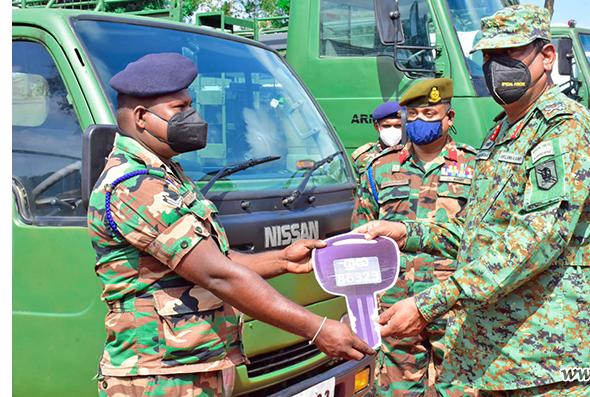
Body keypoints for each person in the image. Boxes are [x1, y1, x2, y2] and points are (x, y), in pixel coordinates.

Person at [355, 5, 590, 396]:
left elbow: (535, 241)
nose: (496, 68)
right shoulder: (502, 131)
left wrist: (430, 303)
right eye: (488, 58)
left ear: (546, 57)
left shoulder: (566, 131)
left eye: (509, 55)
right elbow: (482, 232)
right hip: (498, 351)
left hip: (552, 357)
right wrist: (405, 231)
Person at [87, 53, 374, 396]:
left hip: (188, 368)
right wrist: (316, 329)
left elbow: (211, 259)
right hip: (157, 376)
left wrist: (281, 260)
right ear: (141, 118)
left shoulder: (167, 174)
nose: (192, 117)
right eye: (179, 108)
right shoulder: (135, 185)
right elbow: (216, 275)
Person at [352, 78, 477, 397]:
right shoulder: (378, 168)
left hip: (455, 304)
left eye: (430, 113)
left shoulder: (477, 167)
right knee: (397, 391)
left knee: (461, 389)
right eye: (414, 113)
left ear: (449, 118)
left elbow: (483, 240)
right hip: (395, 302)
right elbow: (362, 234)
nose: (420, 120)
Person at [350, 101, 404, 179]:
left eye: (398, 125)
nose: (392, 130)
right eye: (386, 126)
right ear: (376, 127)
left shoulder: (413, 153)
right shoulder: (361, 157)